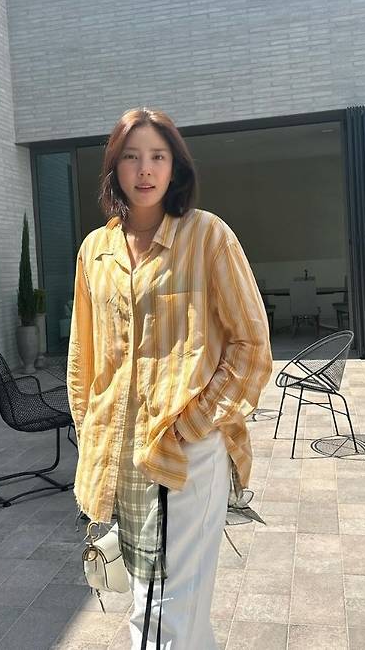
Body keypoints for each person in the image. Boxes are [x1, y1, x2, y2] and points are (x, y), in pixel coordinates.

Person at [67, 108, 273, 649]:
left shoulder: (207, 236)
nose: (145, 169)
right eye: (131, 156)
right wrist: (89, 434)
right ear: (114, 167)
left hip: (184, 451)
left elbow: (251, 345)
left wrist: (193, 425)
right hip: (118, 452)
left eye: (158, 156)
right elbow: (83, 358)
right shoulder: (95, 251)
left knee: (165, 609)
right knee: (155, 595)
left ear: (175, 166)